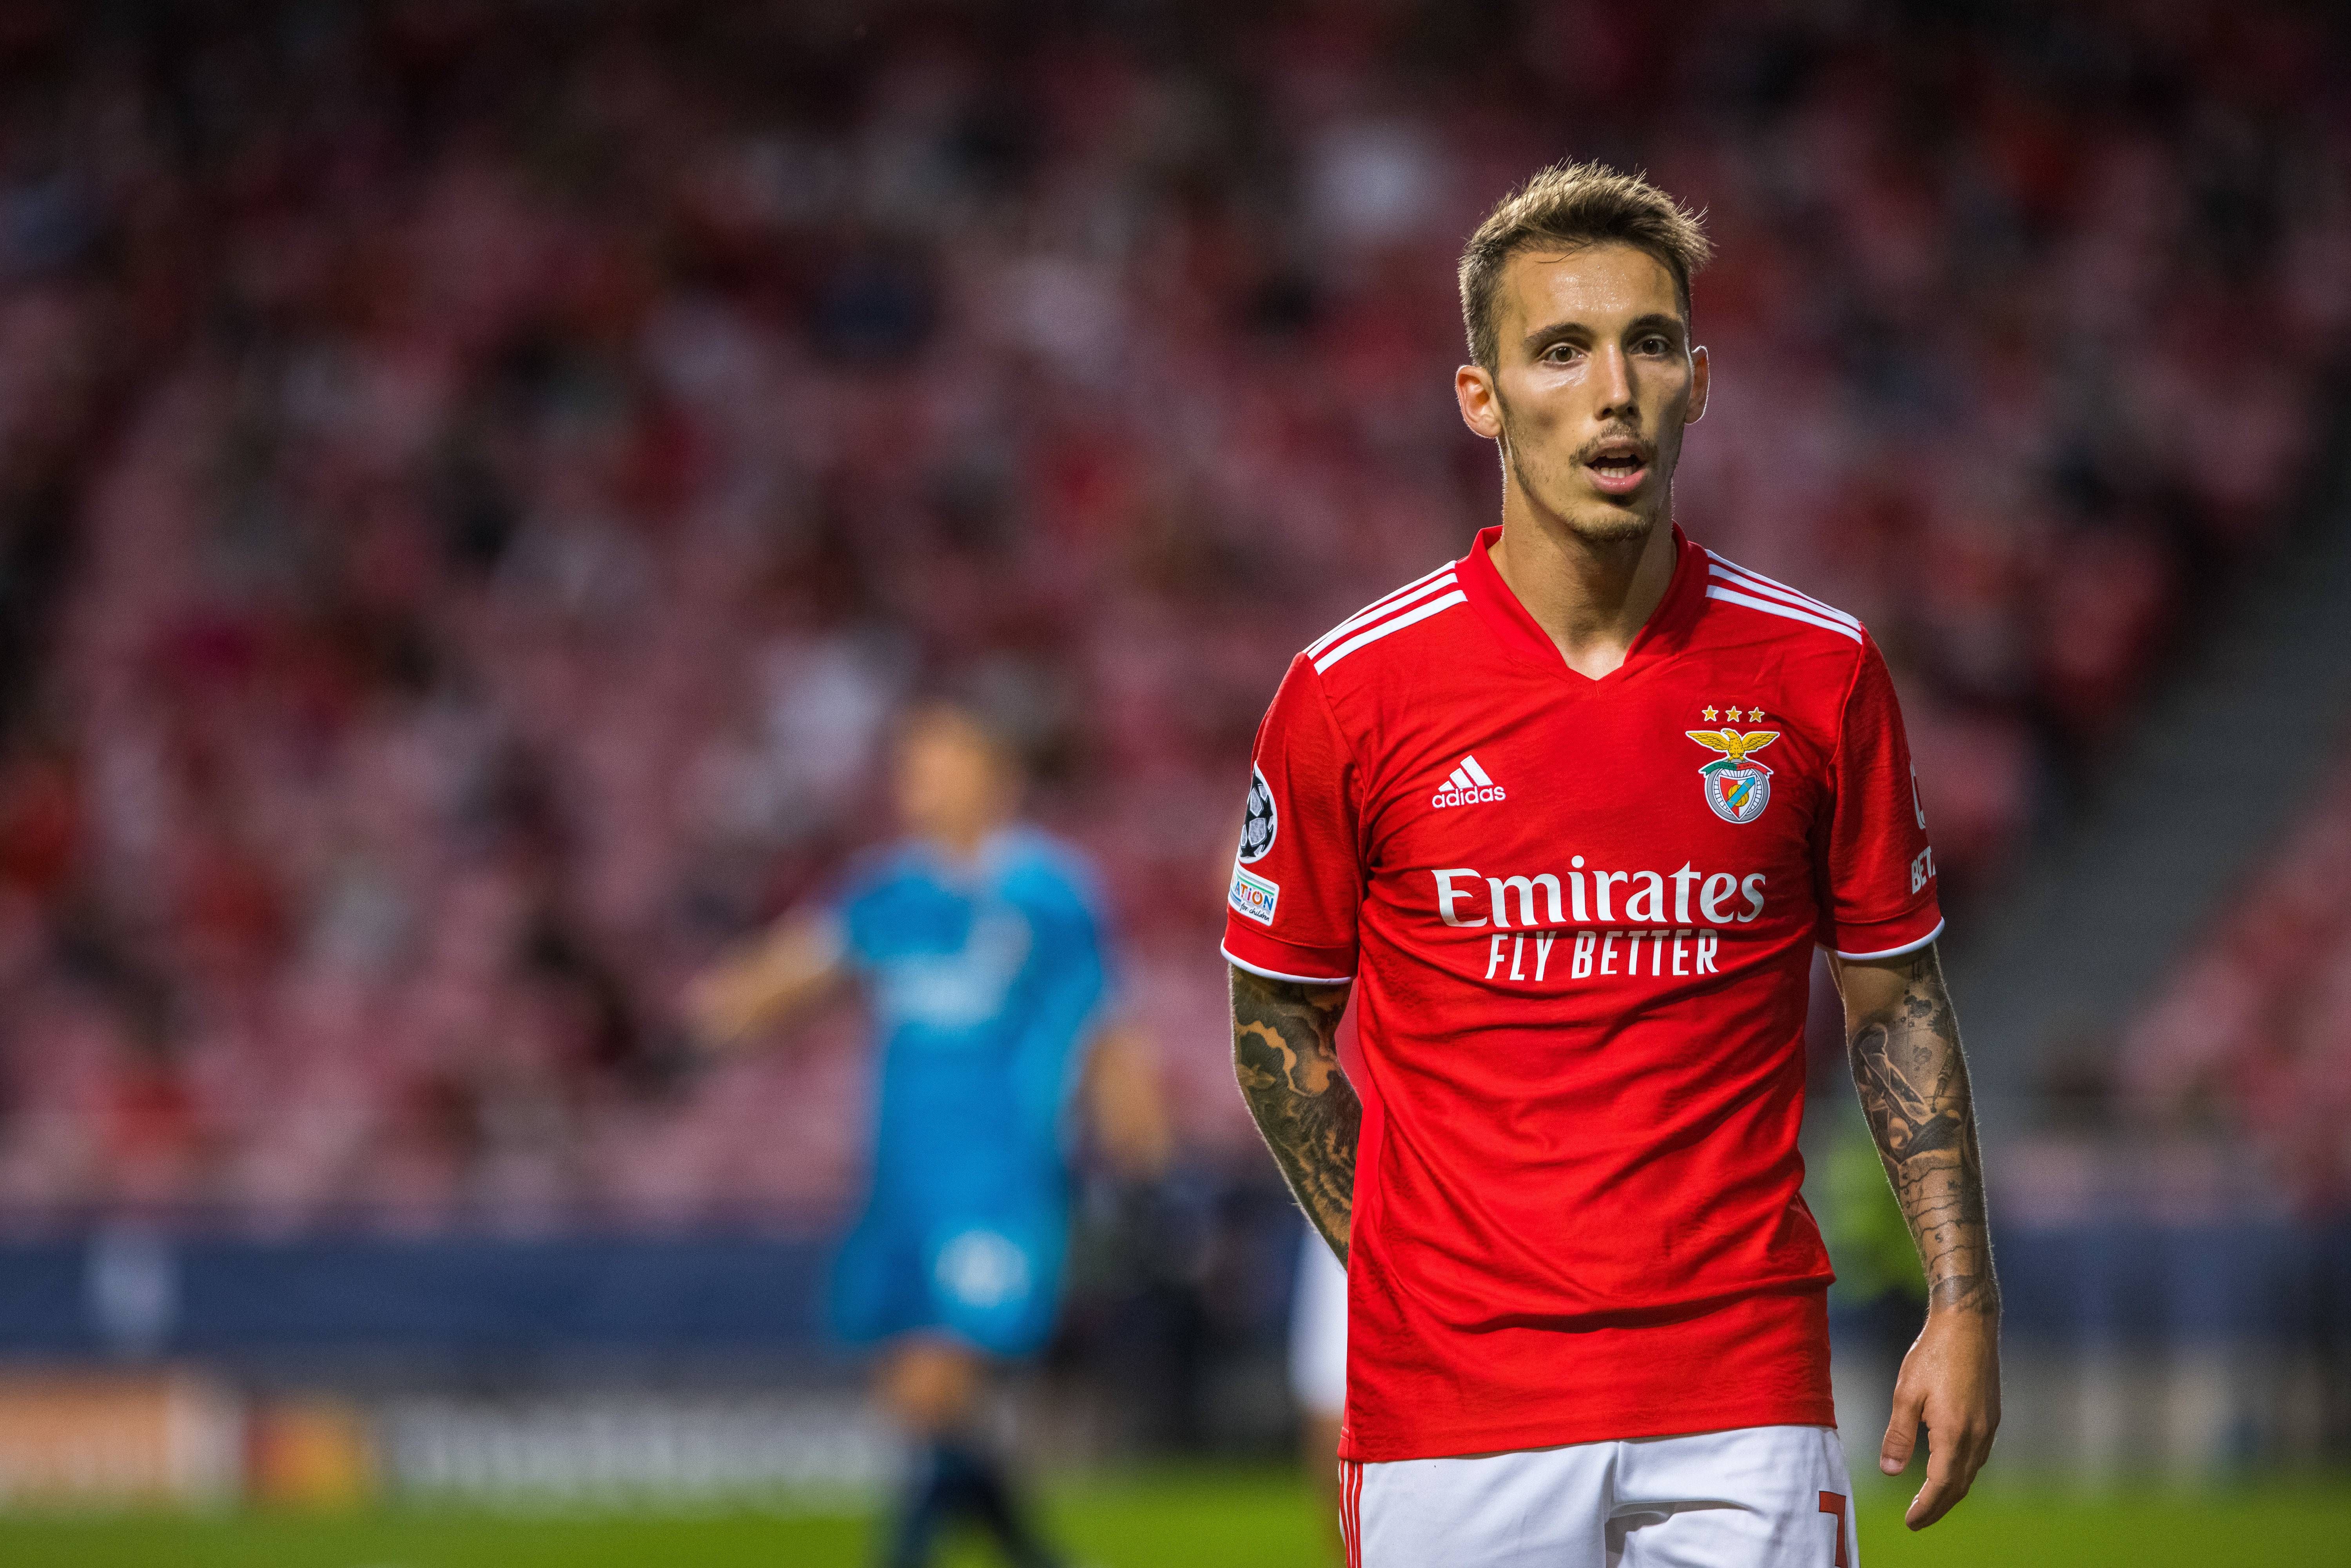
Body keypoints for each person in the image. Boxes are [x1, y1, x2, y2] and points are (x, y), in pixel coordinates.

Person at [1223, 162, 1999, 1567]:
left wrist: (1960, 1302)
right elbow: (1273, 1013)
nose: (1612, 387)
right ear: (1481, 396)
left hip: (1741, 1391)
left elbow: (1896, 1001)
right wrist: (1401, 1270)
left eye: (1648, 342)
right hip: (1452, 1409)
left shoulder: (1816, 673)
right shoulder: (1349, 692)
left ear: (1697, 381)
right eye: (1559, 350)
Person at [689, 698, 1167, 1568]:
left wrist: (1139, 1138)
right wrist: (720, 1008)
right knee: (918, 1400)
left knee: (934, 1381)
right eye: (912, 764)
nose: (918, 782)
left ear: (997, 778)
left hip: (1001, 1178)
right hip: (902, 1182)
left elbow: (1104, 1024)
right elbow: (797, 968)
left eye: (940, 762)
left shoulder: (1049, 893)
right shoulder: (890, 890)